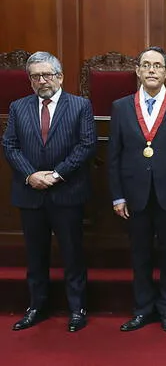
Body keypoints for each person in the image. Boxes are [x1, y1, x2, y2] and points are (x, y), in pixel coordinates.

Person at [2, 51, 97, 332]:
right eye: (35, 76)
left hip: (66, 192)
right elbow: (9, 146)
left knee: (72, 254)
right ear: (29, 80)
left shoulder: (80, 105)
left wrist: (56, 175)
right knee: (35, 255)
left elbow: (87, 145)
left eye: (47, 75)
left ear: (60, 77)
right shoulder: (18, 107)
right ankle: (36, 307)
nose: (42, 80)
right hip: (30, 192)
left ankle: (77, 309)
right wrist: (31, 175)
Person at [108, 46, 166, 333]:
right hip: (135, 196)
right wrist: (118, 194)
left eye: (157, 66)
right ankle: (143, 309)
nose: (151, 70)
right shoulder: (121, 107)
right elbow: (114, 156)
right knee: (140, 254)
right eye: (146, 65)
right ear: (138, 71)